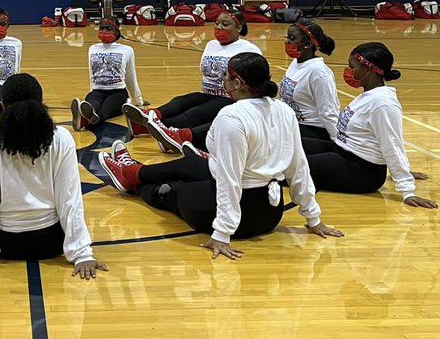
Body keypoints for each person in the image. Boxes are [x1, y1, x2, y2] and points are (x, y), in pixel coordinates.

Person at [99, 52, 343, 259]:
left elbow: (230, 178)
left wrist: (222, 234)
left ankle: (131, 183)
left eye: (226, 75)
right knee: (191, 163)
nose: (223, 79)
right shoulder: (283, 110)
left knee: (170, 189)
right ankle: (132, 170)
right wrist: (313, 218)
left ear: (237, 83)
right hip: (271, 213)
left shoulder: (231, 117)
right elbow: (298, 167)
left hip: (238, 218)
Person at [0, 73, 106, 285]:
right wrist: (82, 253)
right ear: (41, 102)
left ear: (3, 105)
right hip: (51, 244)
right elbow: (70, 198)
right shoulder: (61, 138)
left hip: (7, 245)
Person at [302, 42, 438, 209]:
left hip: (361, 171)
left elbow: (392, 144)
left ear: (369, 69)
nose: (348, 71)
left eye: (352, 67)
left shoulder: (383, 104)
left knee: (290, 166)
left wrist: (407, 189)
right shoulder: (369, 95)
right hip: (341, 151)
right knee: (288, 145)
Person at [124, 9, 259, 153]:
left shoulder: (249, 49)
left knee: (194, 113)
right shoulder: (211, 44)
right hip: (207, 93)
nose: (219, 27)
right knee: (180, 102)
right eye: (217, 23)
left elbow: (254, 79)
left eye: (225, 24)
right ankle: (148, 117)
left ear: (238, 28)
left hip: (229, 98)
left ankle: (157, 131)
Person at [70, 16, 144, 130]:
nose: (104, 31)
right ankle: (87, 113)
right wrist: (92, 91)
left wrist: (138, 101)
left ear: (116, 31)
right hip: (97, 91)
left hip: (118, 92)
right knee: (92, 102)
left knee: (104, 111)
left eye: (108, 28)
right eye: (102, 28)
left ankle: (84, 120)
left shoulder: (127, 50)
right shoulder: (92, 49)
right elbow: (92, 74)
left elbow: (130, 77)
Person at [279, 19, 340, 140]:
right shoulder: (296, 62)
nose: (287, 41)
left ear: (308, 44)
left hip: (312, 129)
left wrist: (338, 142)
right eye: (287, 37)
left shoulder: (319, 72)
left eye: (292, 38)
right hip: (292, 123)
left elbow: (328, 112)